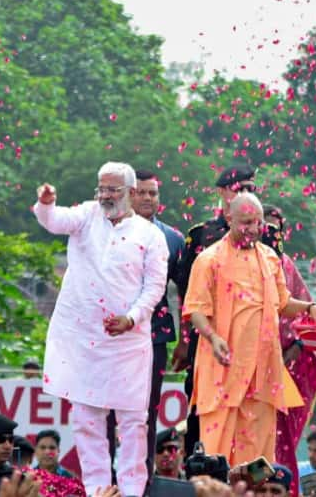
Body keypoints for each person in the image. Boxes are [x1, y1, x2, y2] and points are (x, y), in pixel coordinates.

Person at [33, 161, 169, 497]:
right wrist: (47, 203)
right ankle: (96, 489)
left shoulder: (151, 236)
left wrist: (132, 317)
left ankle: (132, 490)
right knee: (86, 418)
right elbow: (54, 221)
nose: (105, 195)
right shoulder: (88, 215)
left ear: (131, 193)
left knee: (133, 422)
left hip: (128, 342)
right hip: (84, 339)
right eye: (102, 188)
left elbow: (154, 288)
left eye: (113, 190)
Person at [183, 193, 316, 465]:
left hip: (262, 376)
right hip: (223, 374)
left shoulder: (269, 258)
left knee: (259, 465)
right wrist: (213, 337)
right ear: (229, 218)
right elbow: (195, 309)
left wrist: (309, 307)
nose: (253, 229)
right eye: (246, 222)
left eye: (257, 222)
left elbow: (283, 302)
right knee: (218, 461)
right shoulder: (208, 260)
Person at [174, 163, 259, 457]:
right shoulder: (201, 235)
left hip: (251, 344)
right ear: (222, 192)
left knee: (250, 423)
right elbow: (188, 294)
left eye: (251, 188)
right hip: (208, 343)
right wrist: (185, 342)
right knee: (202, 417)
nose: (246, 193)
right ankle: (202, 482)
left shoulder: (267, 235)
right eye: (239, 188)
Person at [120, 168, 184, 479]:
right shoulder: (111, 232)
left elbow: (186, 293)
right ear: (129, 194)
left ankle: (141, 480)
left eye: (153, 193)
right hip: (112, 337)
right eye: (141, 192)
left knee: (147, 411)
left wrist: (186, 341)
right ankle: (107, 479)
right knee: (108, 410)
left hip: (154, 337)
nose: (147, 198)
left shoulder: (172, 238)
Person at [264, 204, 316, 497]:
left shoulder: (285, 264)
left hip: (287, 368)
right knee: (256, 440)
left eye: (276, 229)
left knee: (282, 439)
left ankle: (284, 491)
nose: (271, 234)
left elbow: (306, 314)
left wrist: (295, 349)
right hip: (251, 369)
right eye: (266, 227)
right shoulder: (242, 262)